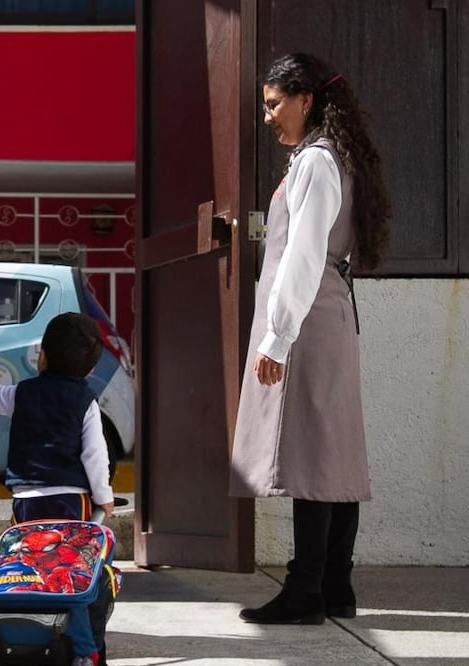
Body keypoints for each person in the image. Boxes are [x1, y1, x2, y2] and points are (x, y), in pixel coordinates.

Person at [230, 53, 391, 625]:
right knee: (333, 450)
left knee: (314, 454)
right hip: (326, 316)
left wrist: (276, 339)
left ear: (305, 100)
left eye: (274, 104)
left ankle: (305, 591)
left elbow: (302, 259)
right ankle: (334, 587)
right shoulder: (324, 157)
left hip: (310, 322)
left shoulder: (317, 163)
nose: (268, 116)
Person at [0, 312, 114, 666]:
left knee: (27, 567)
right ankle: (83, 650)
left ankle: (24, 631)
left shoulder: (23, 393)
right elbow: (95, 455)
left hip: (25, 503)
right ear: (91, 369)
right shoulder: (86, 401)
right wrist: (104, 497)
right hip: (71, 502)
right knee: (70, 574)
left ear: (42, 356)